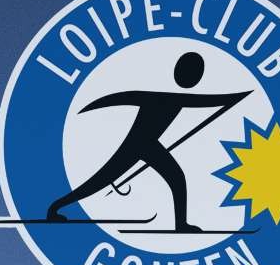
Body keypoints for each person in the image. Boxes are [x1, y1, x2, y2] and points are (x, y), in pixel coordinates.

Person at [44, 51, 246, 233]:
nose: (192, 78)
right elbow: (124, 97)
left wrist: (234, 98)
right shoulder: (165, 97)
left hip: (150, 145)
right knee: (99, 181)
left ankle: (181, 224)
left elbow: (206, 101)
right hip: (136, 145)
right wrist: (234, 97)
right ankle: (55, 208)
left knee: (176, 178)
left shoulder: (173, 97)